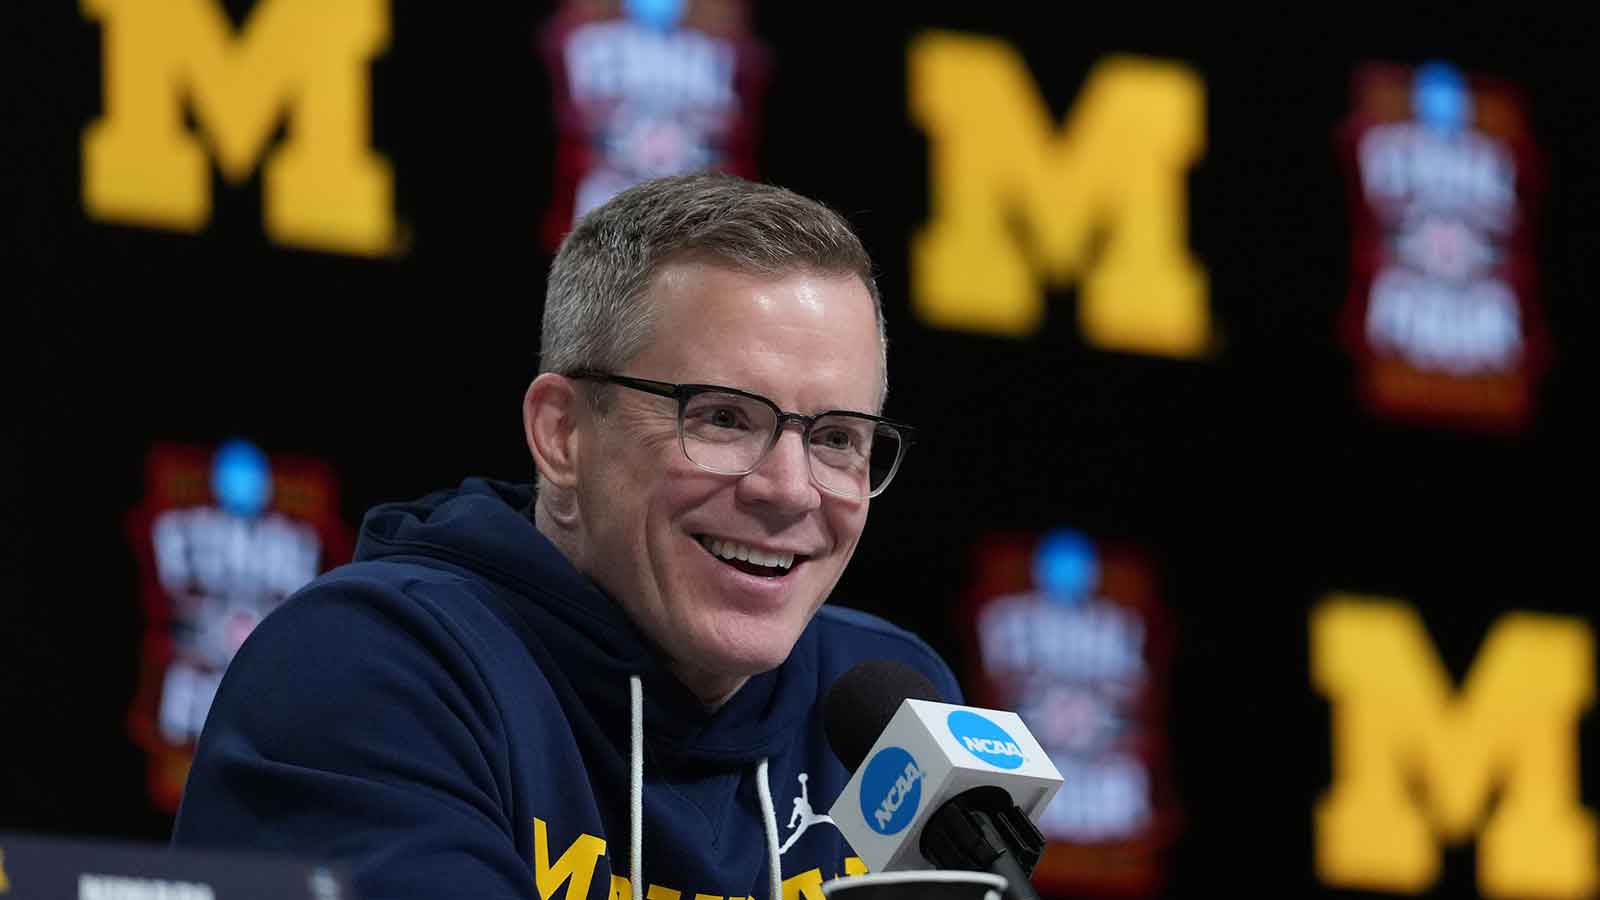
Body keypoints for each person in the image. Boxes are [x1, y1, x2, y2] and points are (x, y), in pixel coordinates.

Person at [172, 172, 960, 900]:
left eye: (836, 439)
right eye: (722, 418)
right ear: (562, 434)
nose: (789, 490)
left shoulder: (892, 708)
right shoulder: (365, 669)